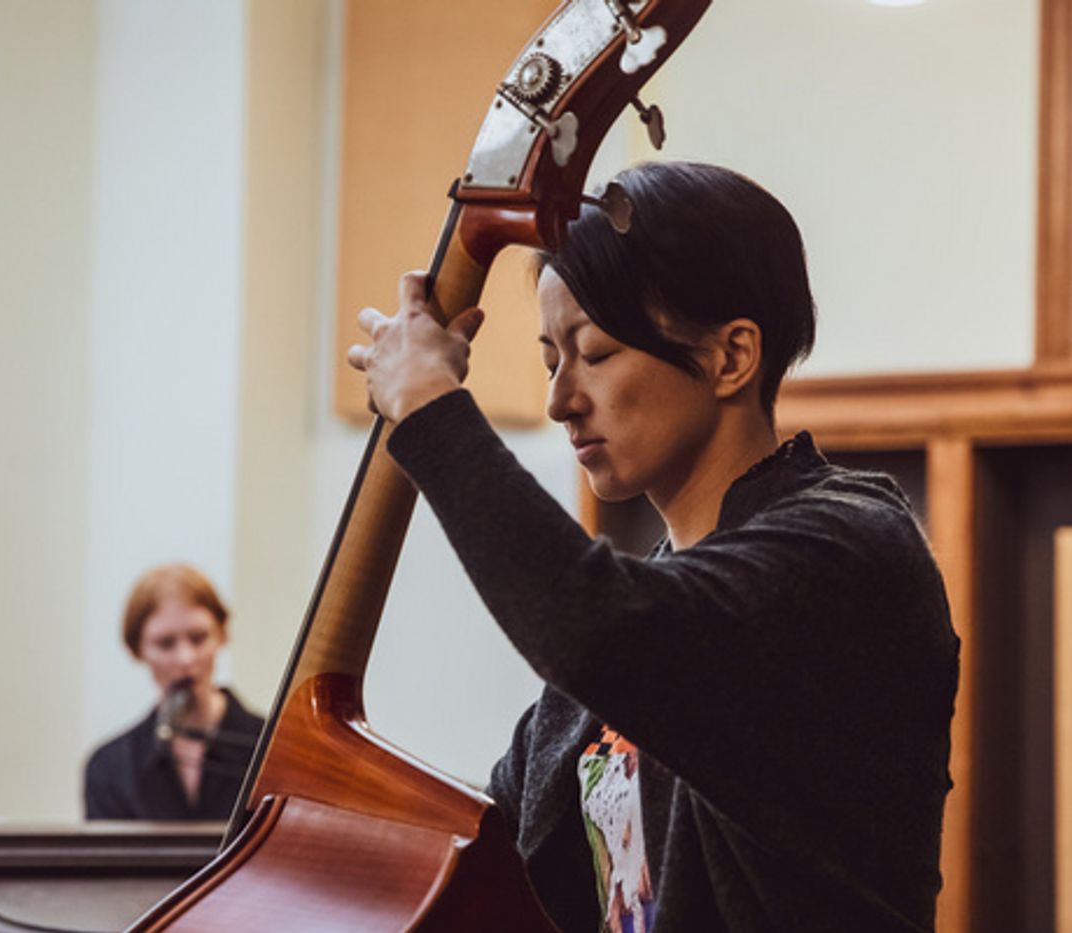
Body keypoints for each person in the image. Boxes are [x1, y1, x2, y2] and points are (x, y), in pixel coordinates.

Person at [347, 161, 959, 931]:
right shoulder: (623, 639)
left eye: (595, 353)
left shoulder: (849, 547)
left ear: (730, 357)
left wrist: (434, 409)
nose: (560, 399)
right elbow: (483, 845)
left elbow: (592, 624)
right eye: (549, 359)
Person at [83, 563, 264, 821]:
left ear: (222, 635)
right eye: (165, 644)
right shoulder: (110, 768)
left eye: (199, 638)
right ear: (137, 650)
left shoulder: (272, 750)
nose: (185, 658)